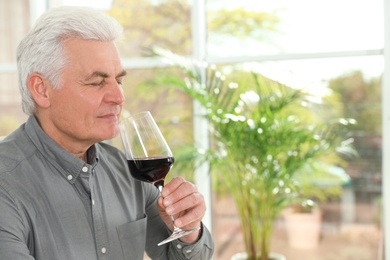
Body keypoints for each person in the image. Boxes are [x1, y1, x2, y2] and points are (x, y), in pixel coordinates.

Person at [0, 6, 214, 260]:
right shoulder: (6, 183)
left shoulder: (128, 172)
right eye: (96, 82)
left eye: (118, 80)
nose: (118, 97)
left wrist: (188, 230)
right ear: (42, 89)